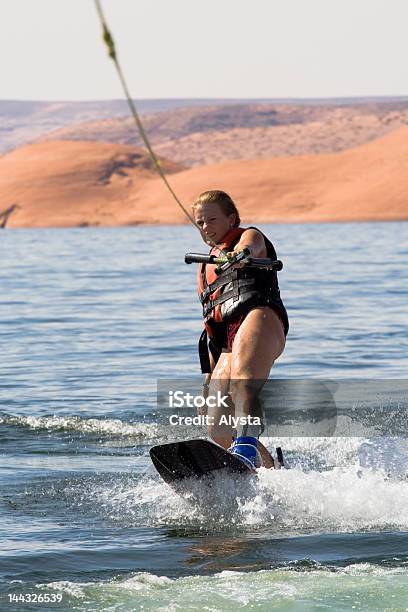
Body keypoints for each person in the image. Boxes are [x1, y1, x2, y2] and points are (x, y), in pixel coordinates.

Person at [192, 190, 289, 469]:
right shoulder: (205, 265)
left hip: (260, 317)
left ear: (231, 218)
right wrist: (206, 382)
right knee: (217, 424)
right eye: (200, 223)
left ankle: (245, 454)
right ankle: (271, 469)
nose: (205, 227)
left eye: (211, 219)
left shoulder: (249, 237)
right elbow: (212, 331)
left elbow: (252, 246)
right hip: (226, 339)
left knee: (244, 385)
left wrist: (238, 256)